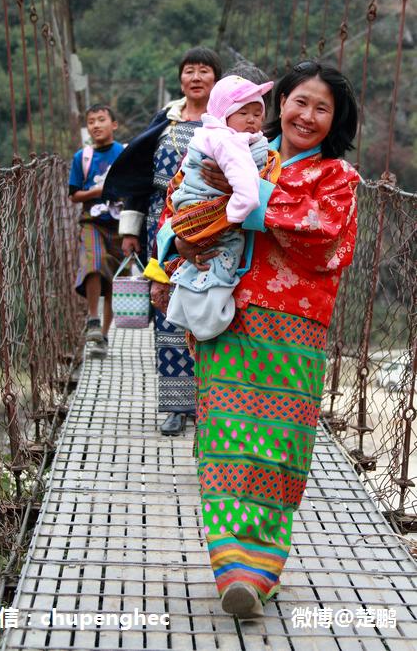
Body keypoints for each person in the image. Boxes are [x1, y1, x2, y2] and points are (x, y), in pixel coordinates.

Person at [157, 60, 359, 616]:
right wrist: (181, 245)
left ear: (335, 120)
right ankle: (232, 569)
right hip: (228, 323)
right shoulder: (234, 149)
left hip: (294, 332)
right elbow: (179, 205)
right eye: (299, 102)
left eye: (323, 108)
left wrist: (237, 209)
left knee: (278, 450)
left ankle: (259, 567)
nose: (308, 116)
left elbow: (325, 240)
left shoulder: (337, 178)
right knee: (225, 446)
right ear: (280, 104)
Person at [103, 46, 222, 436]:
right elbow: (139, 180)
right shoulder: (165, 123)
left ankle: (210, 404)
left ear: (215, 80)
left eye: (204, 71)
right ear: (180, 79)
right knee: (166, 309)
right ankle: (176, 405)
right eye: (189, 70)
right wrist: (131, 232)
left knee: (210, 309)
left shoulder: (226, 123)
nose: (196, 77)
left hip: (212, 227)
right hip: (161, 225)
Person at [160, 75, 279, 341]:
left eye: (257, 112)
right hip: (217, 267)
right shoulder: (231, 145)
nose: (251, 120)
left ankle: (193, 315)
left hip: (267, 318)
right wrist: (179, 241)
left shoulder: (250, 148)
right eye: (242, 112)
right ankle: (199, 317)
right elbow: (173, 203)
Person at [69, 104, 125, 356]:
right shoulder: (82, 157)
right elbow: (74, 195)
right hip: (91, 222)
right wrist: (98, 192)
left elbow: (133, 186)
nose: (96, 125)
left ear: (114, 125)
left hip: (121, 225)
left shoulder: (125, 154)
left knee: (113, 280)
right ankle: (92, 318)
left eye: (102, 120)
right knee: (94, 261)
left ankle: (102, 336)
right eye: (91, 121)